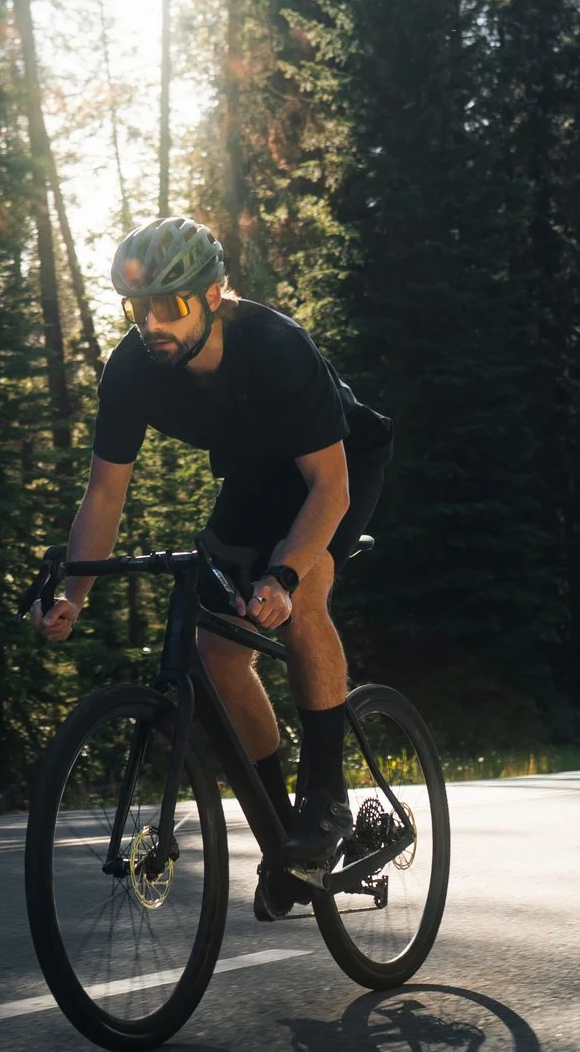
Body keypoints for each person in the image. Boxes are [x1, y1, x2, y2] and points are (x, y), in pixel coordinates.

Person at [34, 218, 392, 917]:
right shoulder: (134, 369)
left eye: (170, 306)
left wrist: (283, 577)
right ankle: (281, 834)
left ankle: (325, 798)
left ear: (214, 294)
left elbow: (330, 487)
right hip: (257, 480)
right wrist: (75, 591)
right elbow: (105, 492)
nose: (152, 324)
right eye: (139, 309)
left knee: (304, 598)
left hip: (337, 467)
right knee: (215, 650)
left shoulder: (275, 346)